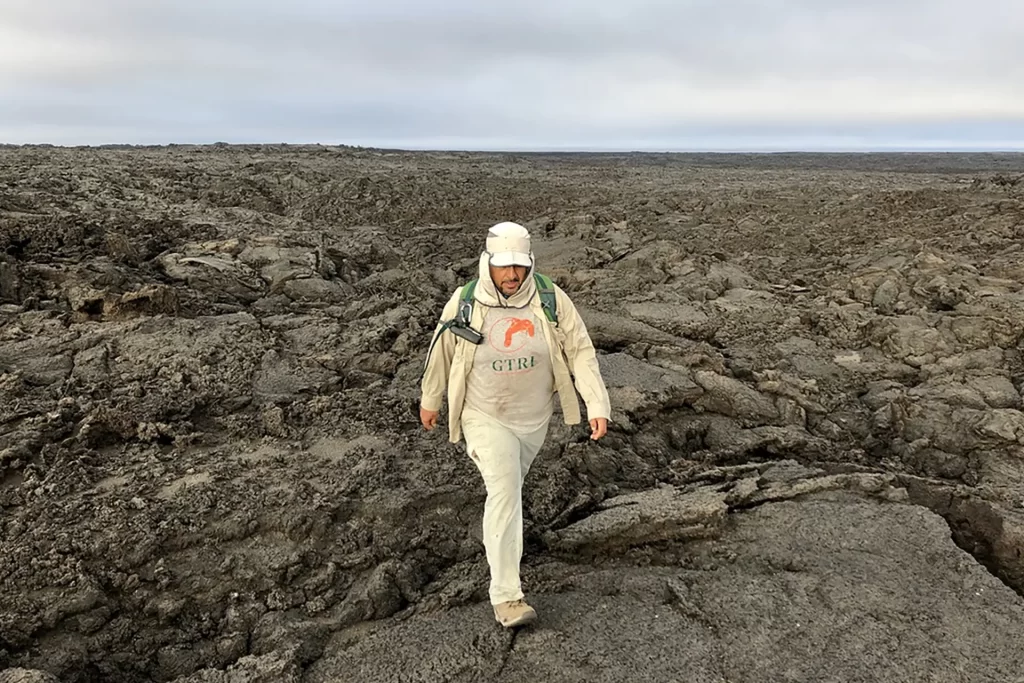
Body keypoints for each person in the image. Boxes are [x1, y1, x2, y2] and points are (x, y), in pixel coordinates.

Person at [419, 221, 611, 628]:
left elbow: (580, 351)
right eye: (503, 266)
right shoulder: (465, 301)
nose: (512, 275)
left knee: (508, 490)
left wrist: (597, 402)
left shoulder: (550, 298)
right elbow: (442, 351)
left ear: (530, 263)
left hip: (532, 419)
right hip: (483, 413)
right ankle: (507, 597)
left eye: (519, 267)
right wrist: (430, 398)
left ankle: (496, 540)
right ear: (487, 263)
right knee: (505, 489)